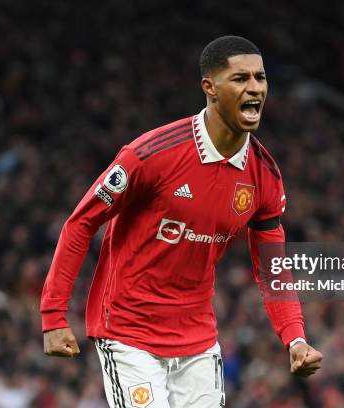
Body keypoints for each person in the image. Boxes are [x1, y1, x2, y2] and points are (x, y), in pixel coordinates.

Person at [41, 35, 322, 408]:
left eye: (260, 78)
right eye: (240, 79)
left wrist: (295, 338)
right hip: (128, 333)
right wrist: (54, 315)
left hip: (198, 341)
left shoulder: (264, 176)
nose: (254, 88)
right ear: (210, 87)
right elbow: (80, 223)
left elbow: (273, 269)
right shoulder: (151, 154)